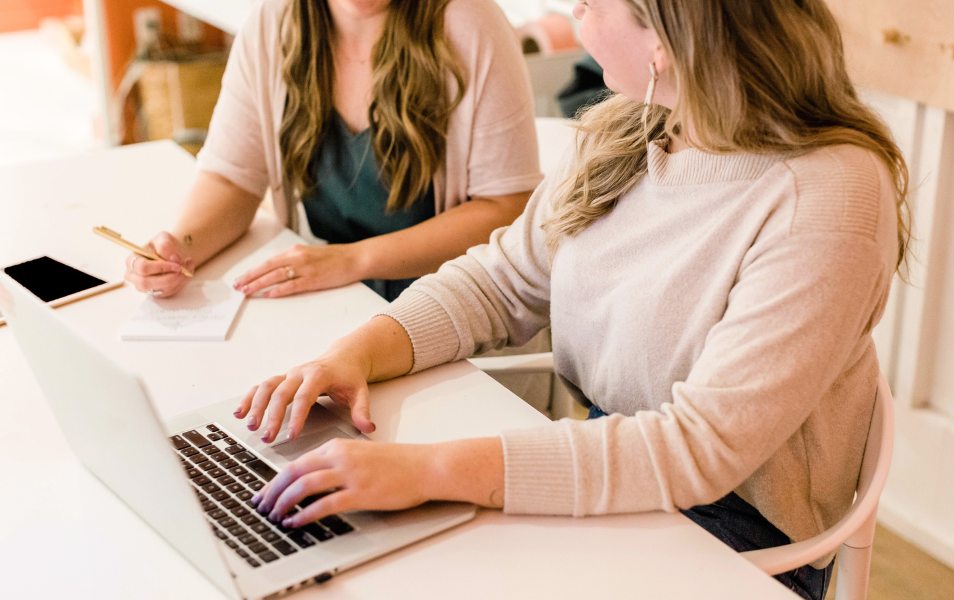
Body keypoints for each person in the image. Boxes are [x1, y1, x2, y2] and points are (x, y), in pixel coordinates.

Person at [239, 0, 910, 598]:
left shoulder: (829, 197)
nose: (574, 14)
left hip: (734, 541)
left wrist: (428, 470)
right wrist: (356, 354)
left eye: (590, 3)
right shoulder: (631, 128)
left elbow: (699, 450)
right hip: (610, 468)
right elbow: (499, 282)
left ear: (667, 38)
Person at [124, 0, 542, 302]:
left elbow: (507, 207)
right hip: (335, 296)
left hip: (448, 304)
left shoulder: (471, 23)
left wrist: (352, 261)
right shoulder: (272, 24)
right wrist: (182, 245)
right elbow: (232, 177)